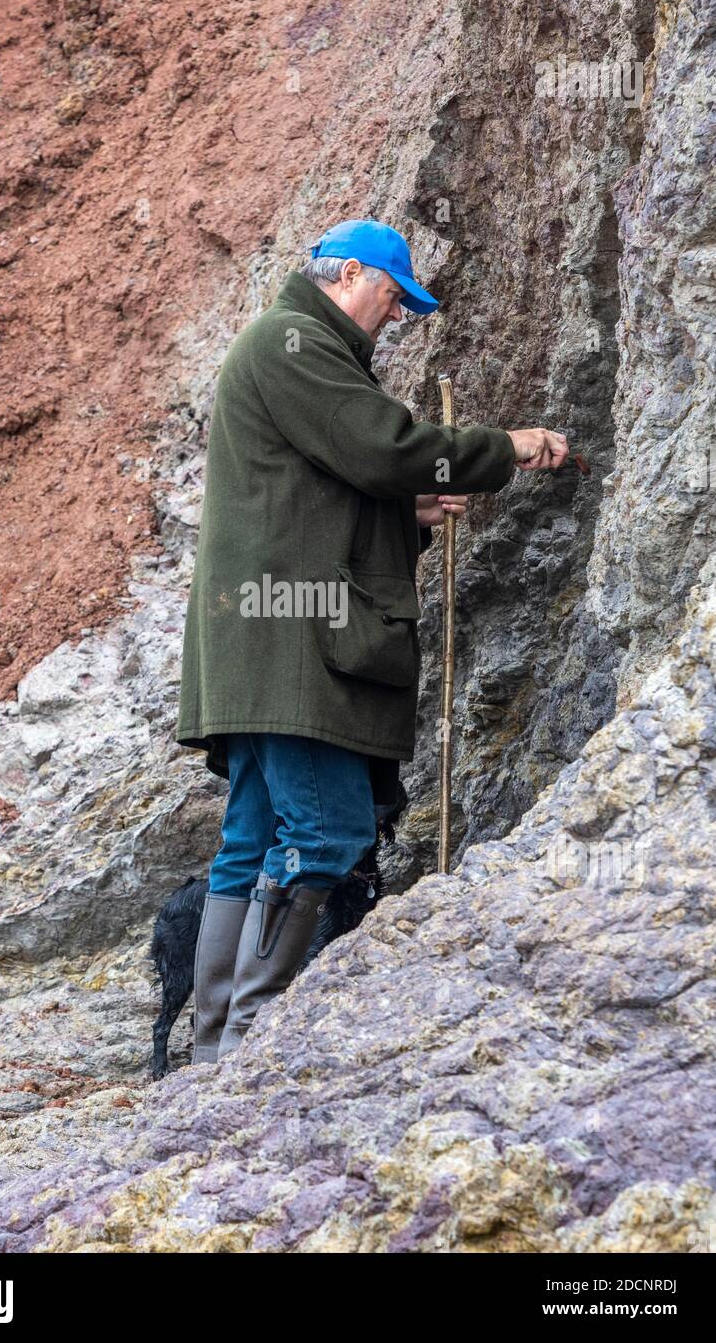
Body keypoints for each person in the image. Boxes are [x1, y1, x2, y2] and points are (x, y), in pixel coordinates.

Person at [175, 218, 568, 1062]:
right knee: (324, 838)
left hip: (260, 642)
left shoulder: (285, 347)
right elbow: (381, 450)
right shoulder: (293, 339)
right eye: (394, 299)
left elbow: (328, 491)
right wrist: (504, 449)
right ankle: (245, 1047)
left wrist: (407, 511)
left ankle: (212, 1051)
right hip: (292, 648)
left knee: (251, 840)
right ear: (348, 274)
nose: (396, 318)